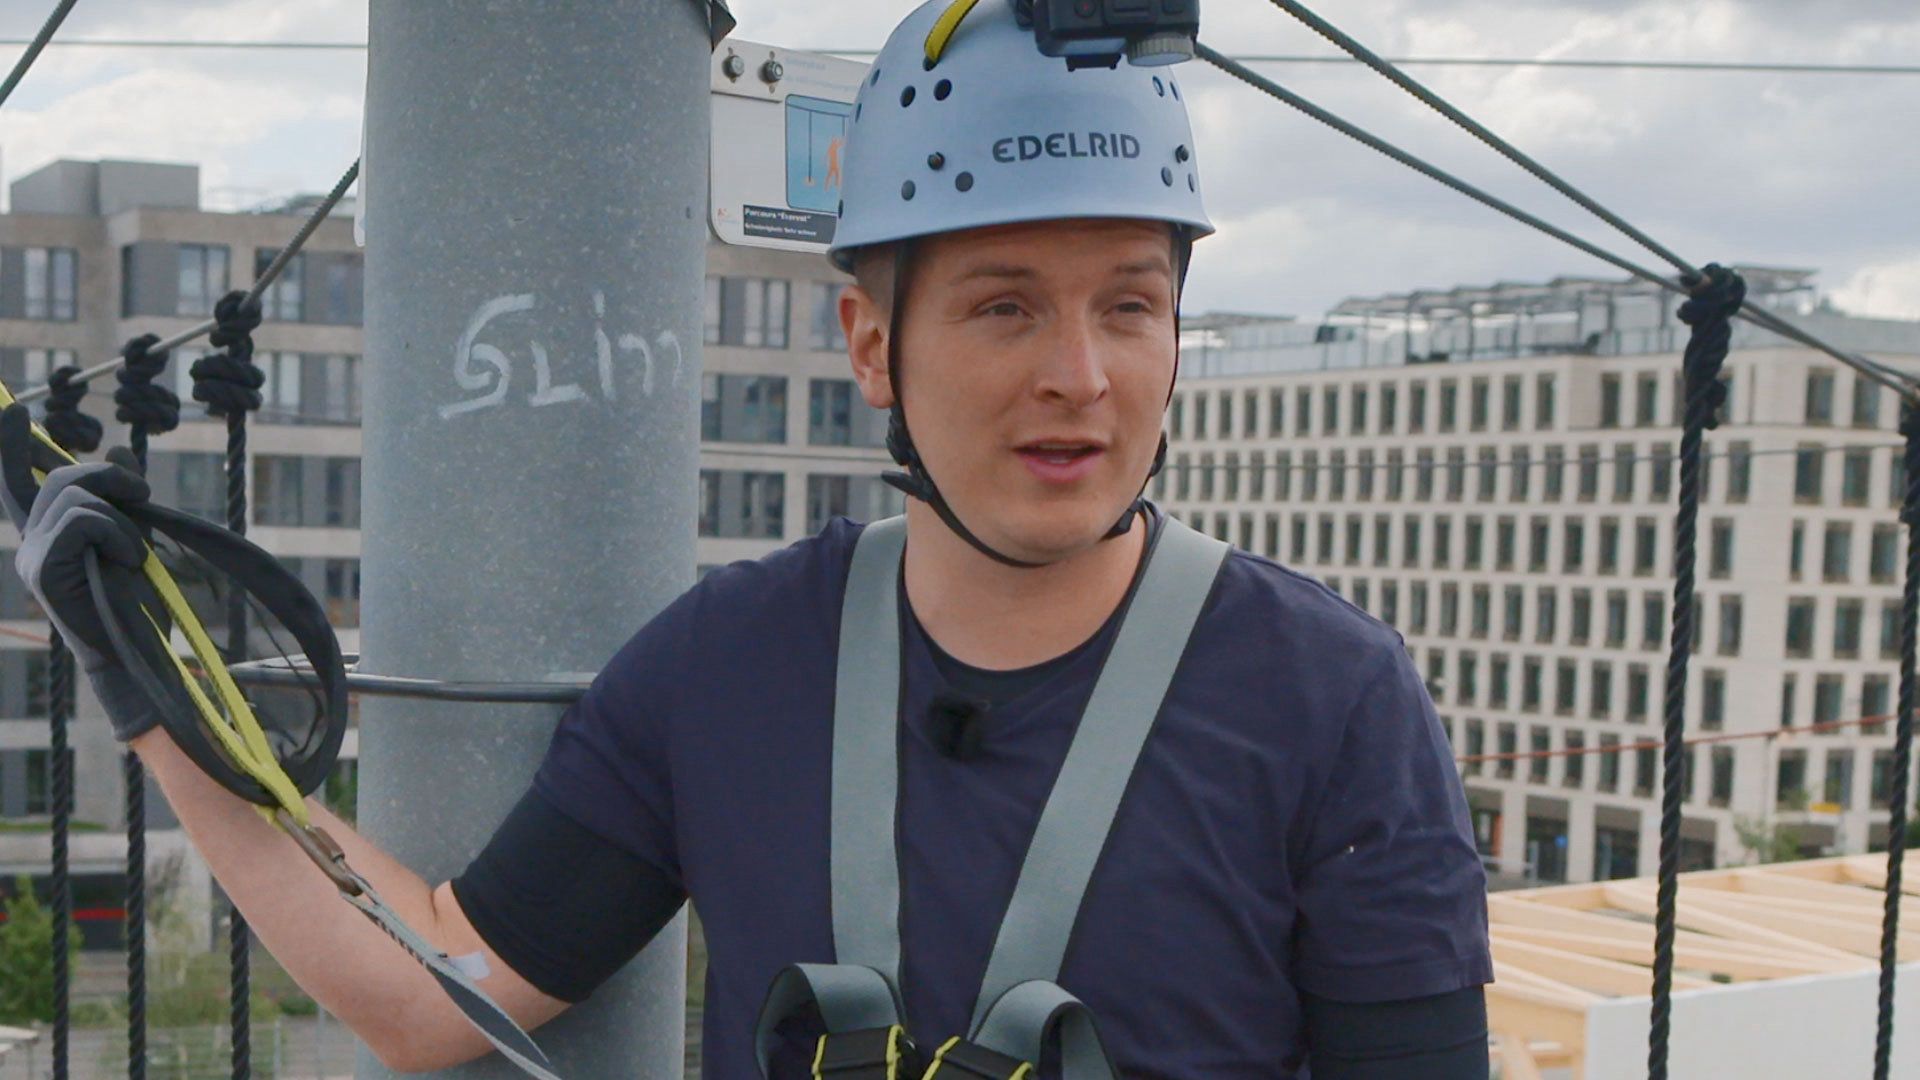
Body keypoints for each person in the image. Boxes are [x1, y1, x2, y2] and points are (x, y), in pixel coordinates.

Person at [3, 1, 1491, 1076]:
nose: (1080, 378)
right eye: (1003, 305)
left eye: (1131, 304)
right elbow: (436, 990)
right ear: (870, 339)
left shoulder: (1328, 698)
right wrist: (148, 676)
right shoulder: (735, 661)